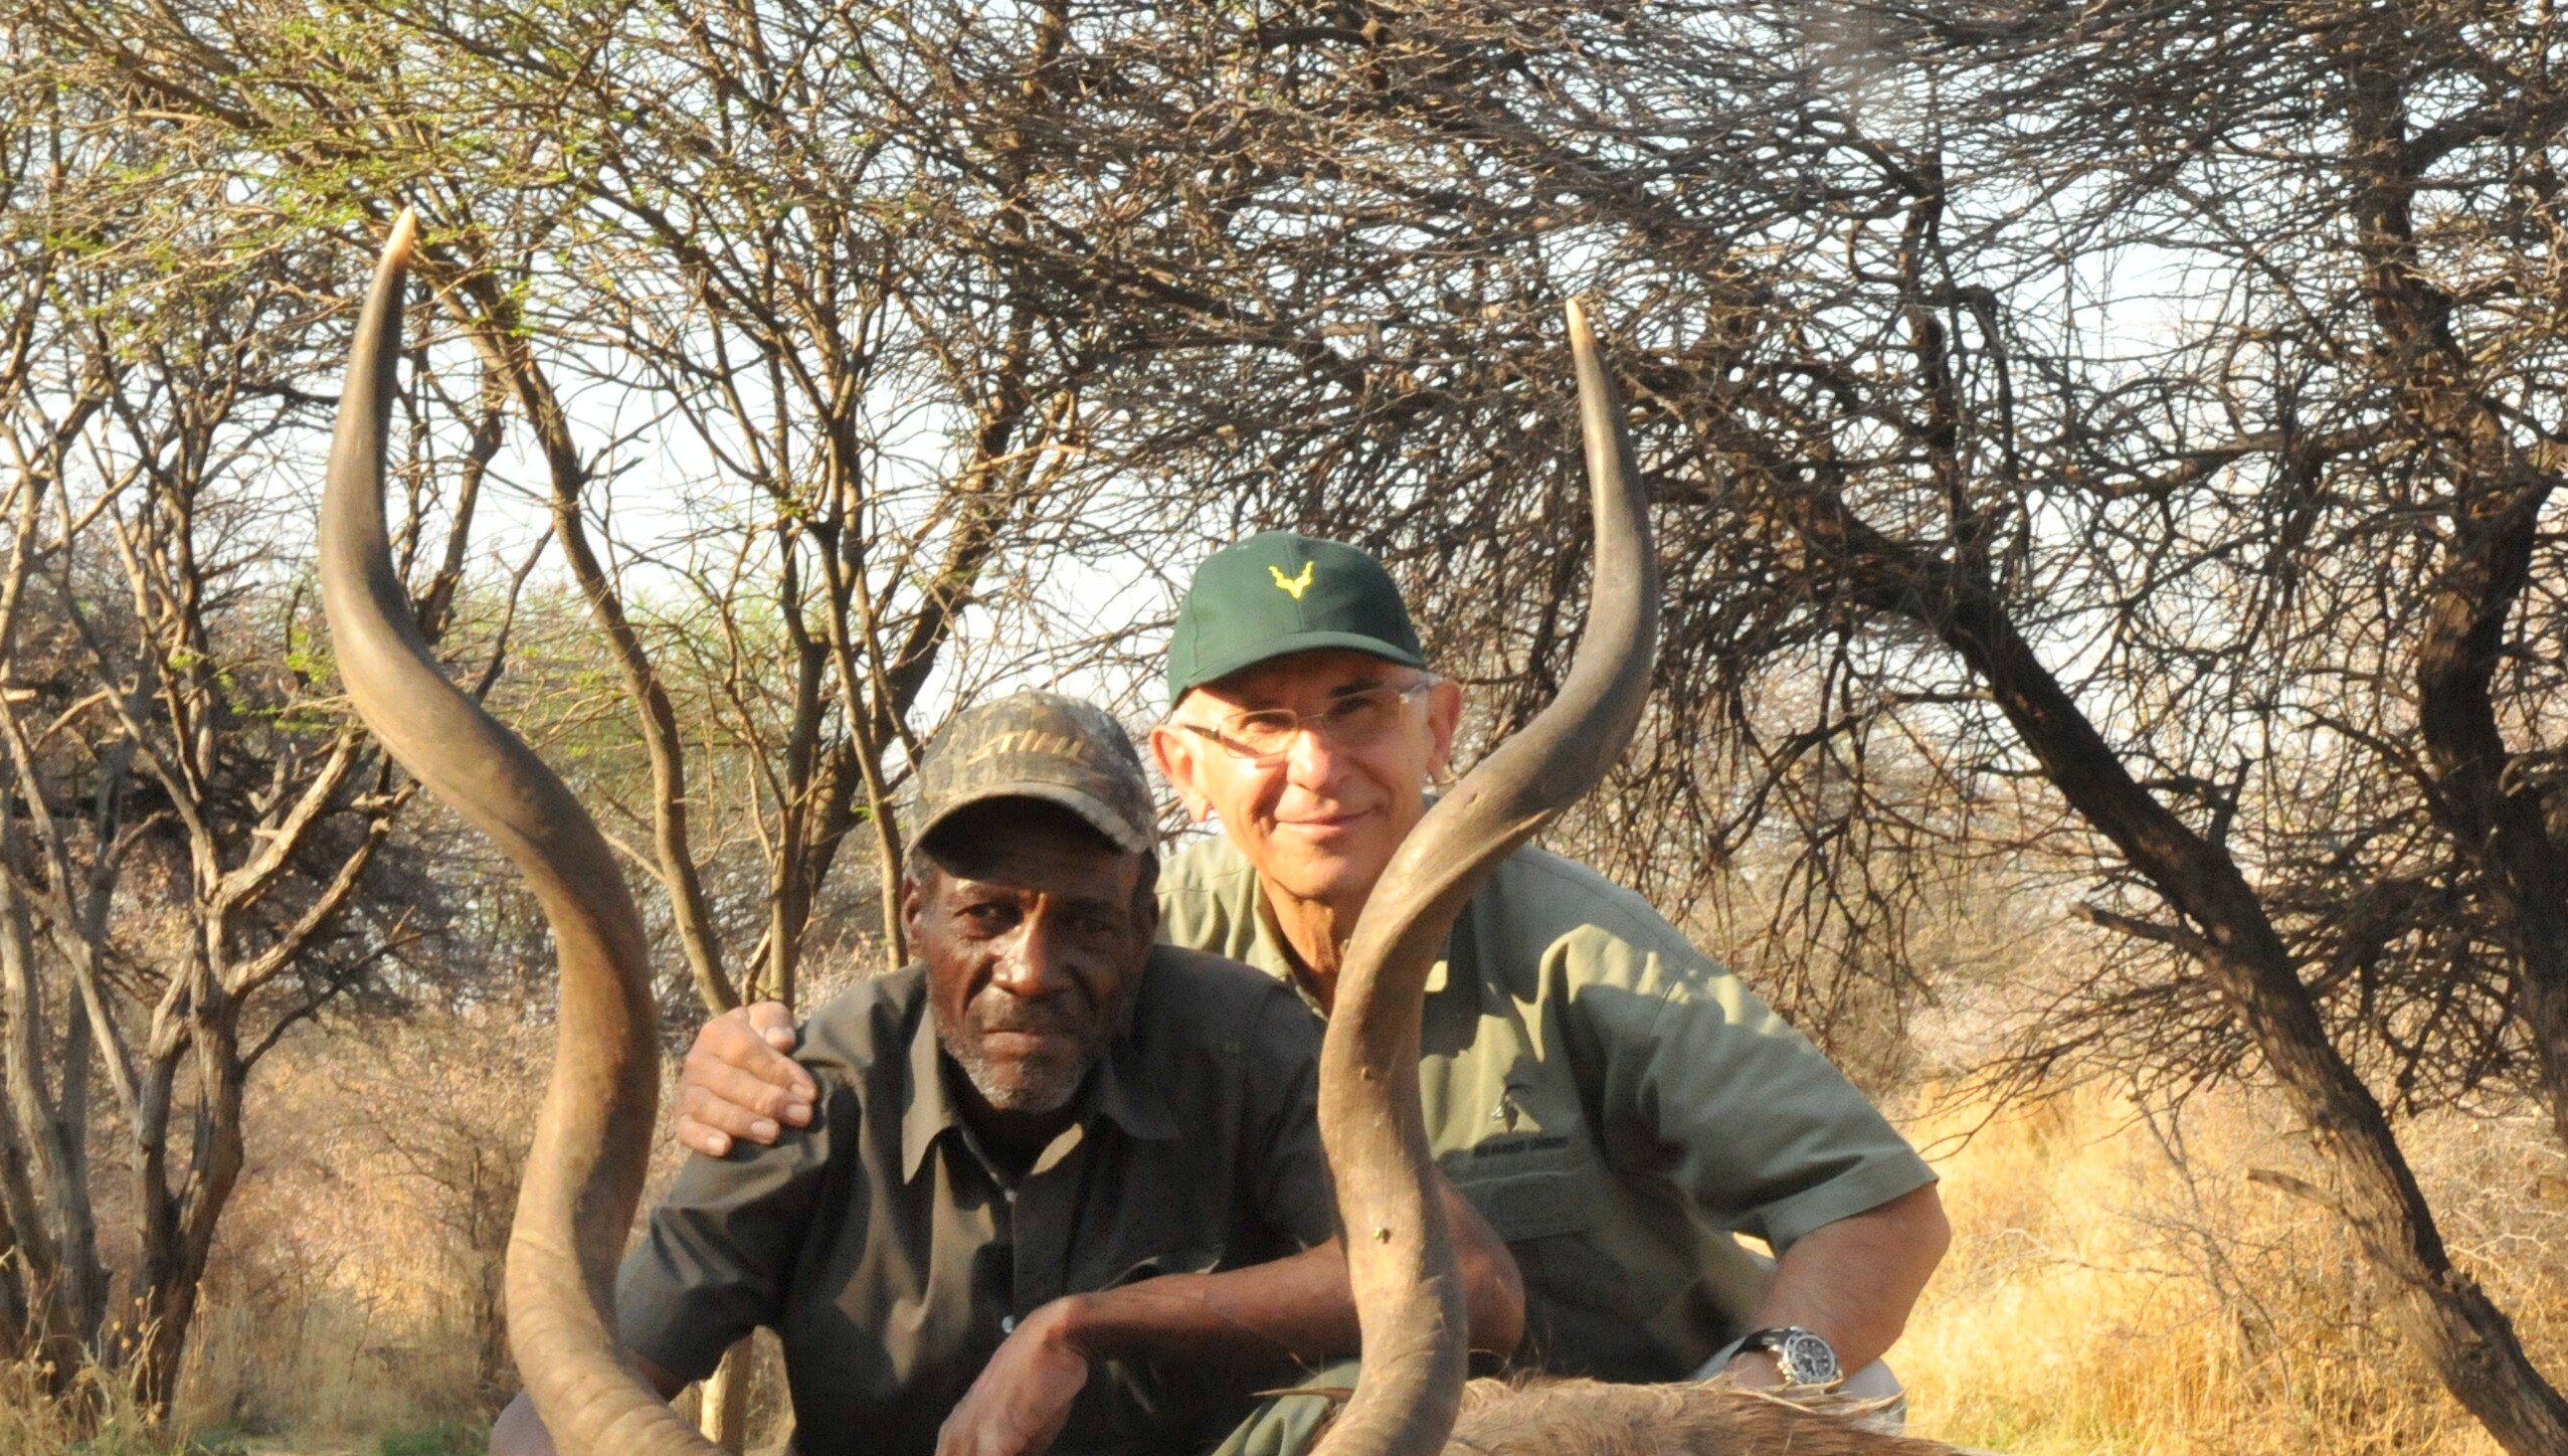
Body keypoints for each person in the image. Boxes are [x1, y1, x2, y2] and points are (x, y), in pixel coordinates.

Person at [428, 689, 1525, 1456]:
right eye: (989, 913)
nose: (1033, 966)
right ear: (917, 912)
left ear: (1143, 922)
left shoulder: (1236, 1042)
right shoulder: (821, 1088)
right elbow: (551, 1414)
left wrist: (1089, 1326)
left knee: (1397, 1412)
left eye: (1084, 923)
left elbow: (1470, 1283)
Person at [675, 532, 1947, 1411]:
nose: (1318, 767)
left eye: (1357, 708)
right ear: (1184, 767)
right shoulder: (1139, 950)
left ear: (1438, 725)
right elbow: (948, 1033)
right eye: (1263, 725)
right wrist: (753, 1063)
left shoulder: (1571, 944)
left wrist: (1755, 1396)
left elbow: (1876, 1208)